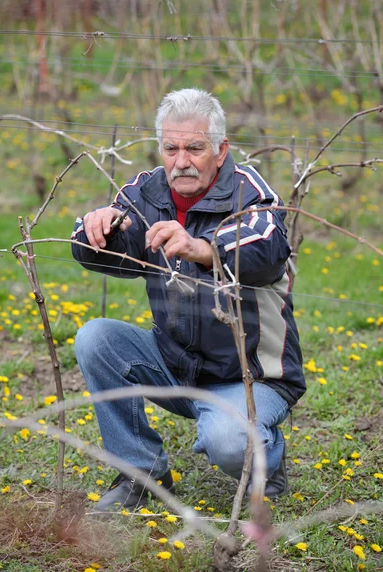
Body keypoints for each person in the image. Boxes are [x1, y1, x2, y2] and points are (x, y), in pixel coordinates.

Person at [71, 88, 305, 512]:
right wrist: (94, 230)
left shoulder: (248, 193)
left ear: (220, 149)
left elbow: (268, 245)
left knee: (228, 442)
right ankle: (140, 475)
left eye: (195, 148)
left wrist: (205, 248)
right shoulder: (148, 192)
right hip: (175, 364)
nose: (182, 161)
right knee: (95, 338)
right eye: (171, 148)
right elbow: (115, 248)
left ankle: (266, 462)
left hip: (251, 377)